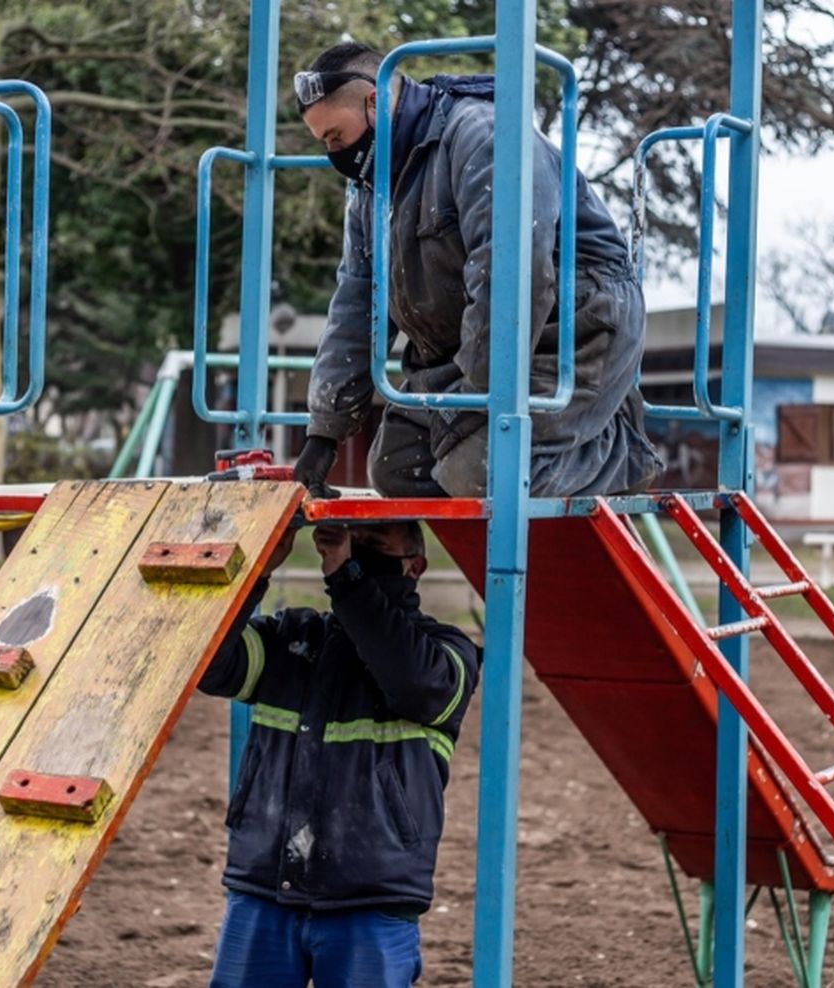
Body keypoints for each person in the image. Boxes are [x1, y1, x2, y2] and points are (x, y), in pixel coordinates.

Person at [290, 41, 664, 500]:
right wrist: (323, 433)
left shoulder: (483, 136)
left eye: (335, 137)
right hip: (469, 350)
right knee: (396, 470)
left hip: (572, 326)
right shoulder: (371, 187)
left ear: (374, 102)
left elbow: (512, 278)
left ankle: (620, 453)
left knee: (480, 473)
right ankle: (388, 572)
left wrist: (477, 402)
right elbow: (357, 301)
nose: (335, 155)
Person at [199, 520, 480, 988]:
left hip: (371, 900)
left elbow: (411, 682)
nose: (357, 548)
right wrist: (258, 569)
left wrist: (347, 576)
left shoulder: (446, 655)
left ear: (415, 566)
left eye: (373, 544)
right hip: (264, 888)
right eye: (353, 539)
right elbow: (208, 664)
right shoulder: (292, 638)